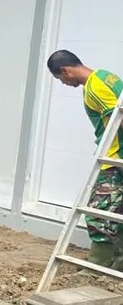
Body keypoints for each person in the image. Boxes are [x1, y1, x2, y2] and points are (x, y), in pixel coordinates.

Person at [47, 50, 123, 269]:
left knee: (98, 213)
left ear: (65, 71)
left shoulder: (94, 87)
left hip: (114, 159)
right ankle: (117, 265)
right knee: (117, 213)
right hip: (115, 156)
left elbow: (120, 119)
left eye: (60, 79)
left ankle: (97, 267)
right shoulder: (106, 76)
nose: (63, 83)